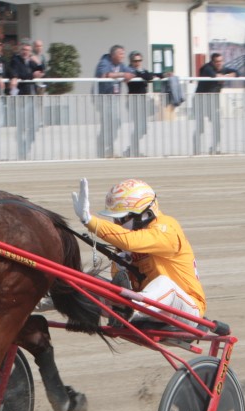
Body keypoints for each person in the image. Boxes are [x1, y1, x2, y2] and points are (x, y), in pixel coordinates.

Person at [70, 178, 206, 326]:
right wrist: (120, 266)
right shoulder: (130, 235)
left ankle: (127, 310)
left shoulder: (168, 229)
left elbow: (131, 241)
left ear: (145, 214)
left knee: (164, 283)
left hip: (187, 309)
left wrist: (89, 221)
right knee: (88, 280)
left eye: (122, 219)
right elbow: (120, 281)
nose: (117, 225)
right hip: (149, 304)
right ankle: (48, 299)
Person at [94, 45, 135, 158]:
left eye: (123, 53)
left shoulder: (121, 65)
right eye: (120, 54)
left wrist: (131, 74)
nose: (123, 56)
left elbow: (131, 72)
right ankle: (103, 148)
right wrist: (122, 74)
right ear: (113, 55)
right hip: (104, 99)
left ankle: (107, 147)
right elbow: (104, 74)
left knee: (115, 123)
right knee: (108, 123)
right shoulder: (104, 62)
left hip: (114, 99)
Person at [193, 52, 237, 154]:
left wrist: (227, 75)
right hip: (201, 100)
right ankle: (196, 149)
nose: (219, 63)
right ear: (212, 61)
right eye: (217, 62)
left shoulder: (223, 68)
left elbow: (236, 72)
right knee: (200, 127)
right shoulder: (206, 68)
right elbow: (213, 75)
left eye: (221, 61)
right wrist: (225, 76)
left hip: (213, 101)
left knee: (217, 125)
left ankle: (214, 148)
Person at [9, 40, 44, 160]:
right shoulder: (15, 60)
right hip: (21, 97)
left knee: (34, 126)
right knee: (21, 126)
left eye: (28, 51)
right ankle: (21, 151)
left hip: (31, 97)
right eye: (24, 50)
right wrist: (32, 75)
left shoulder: (31, 60)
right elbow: (19, 74)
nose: (26, 53)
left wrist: (38, 63)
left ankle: (26, 147)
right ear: (20, 50)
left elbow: (41, 72)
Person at [125, 51, 157, 157]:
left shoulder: (142, 70)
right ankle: (133, 149)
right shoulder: (129, 70)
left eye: (139, 60)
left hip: (142, 100)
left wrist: (162, 74)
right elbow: (146, 76)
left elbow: (149, 76)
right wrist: (143, 74)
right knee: (139, 126)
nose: (137, 63)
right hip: (134, 101)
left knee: (142, 127)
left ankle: (132, 148)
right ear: (131, 61)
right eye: (135, 61)